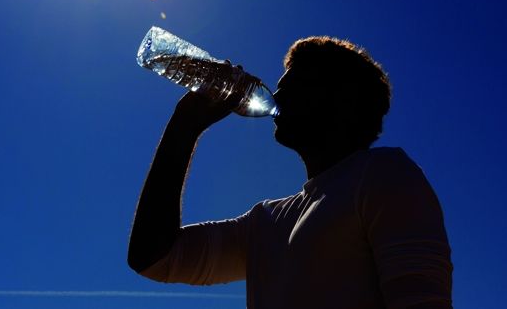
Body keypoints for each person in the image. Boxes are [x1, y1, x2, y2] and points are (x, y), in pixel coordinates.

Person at [128, 36, 453, 309]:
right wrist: (184, 126)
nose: (277, 96)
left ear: (343, 100)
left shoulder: (385, 173)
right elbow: (154, 257)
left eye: (295, 85)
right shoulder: (264, 222)